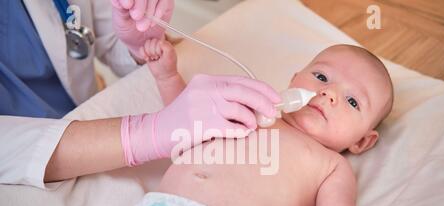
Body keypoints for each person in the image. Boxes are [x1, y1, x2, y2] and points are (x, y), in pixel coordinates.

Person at [19, 42, 394, 206]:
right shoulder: (251, 110)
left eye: (350, 100)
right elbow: (185, 121)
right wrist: (167, 76)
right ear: (295, 79)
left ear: (362, 142)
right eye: (322, 77)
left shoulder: (331, 166)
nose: (328, 94)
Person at [0, 0, 280, 187]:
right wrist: (145, 133)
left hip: (90, 113)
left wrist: (142, 45)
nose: (325, 93)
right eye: (320, 76)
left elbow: (100, 37)